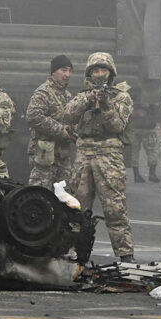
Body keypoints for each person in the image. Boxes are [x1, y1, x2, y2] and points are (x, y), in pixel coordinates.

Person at [62, 52, 135, 262]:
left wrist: (105, 105)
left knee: (114, 207)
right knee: (77, 207)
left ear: (111, 72)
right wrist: (88, 99)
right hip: (84, 153)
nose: (99, 74)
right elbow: (68, 114)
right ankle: (77, 254)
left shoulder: (122, 97)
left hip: (109, 153)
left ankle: (125, 255)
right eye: (95, 70)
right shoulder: (83, 95)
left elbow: (117, 125)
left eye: (103, 70)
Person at [26, 55, 76, 188]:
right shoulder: (43, 92)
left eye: (70, 71)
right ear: (53, 71)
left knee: (64, 198)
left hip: (62, 157)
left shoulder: (67, 96)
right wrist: (60, 130)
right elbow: (33, 116)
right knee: (41, 196)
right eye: (64, 70)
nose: (67, 74)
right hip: (44, 156)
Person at [127, 84, 160, 183]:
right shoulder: (153, 94)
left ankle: (137, 175)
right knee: (152, 150)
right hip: (148, 128)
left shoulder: (129, 95)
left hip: (135, 127)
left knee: (135, 151)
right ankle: (152, 174)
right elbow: (157, 110)